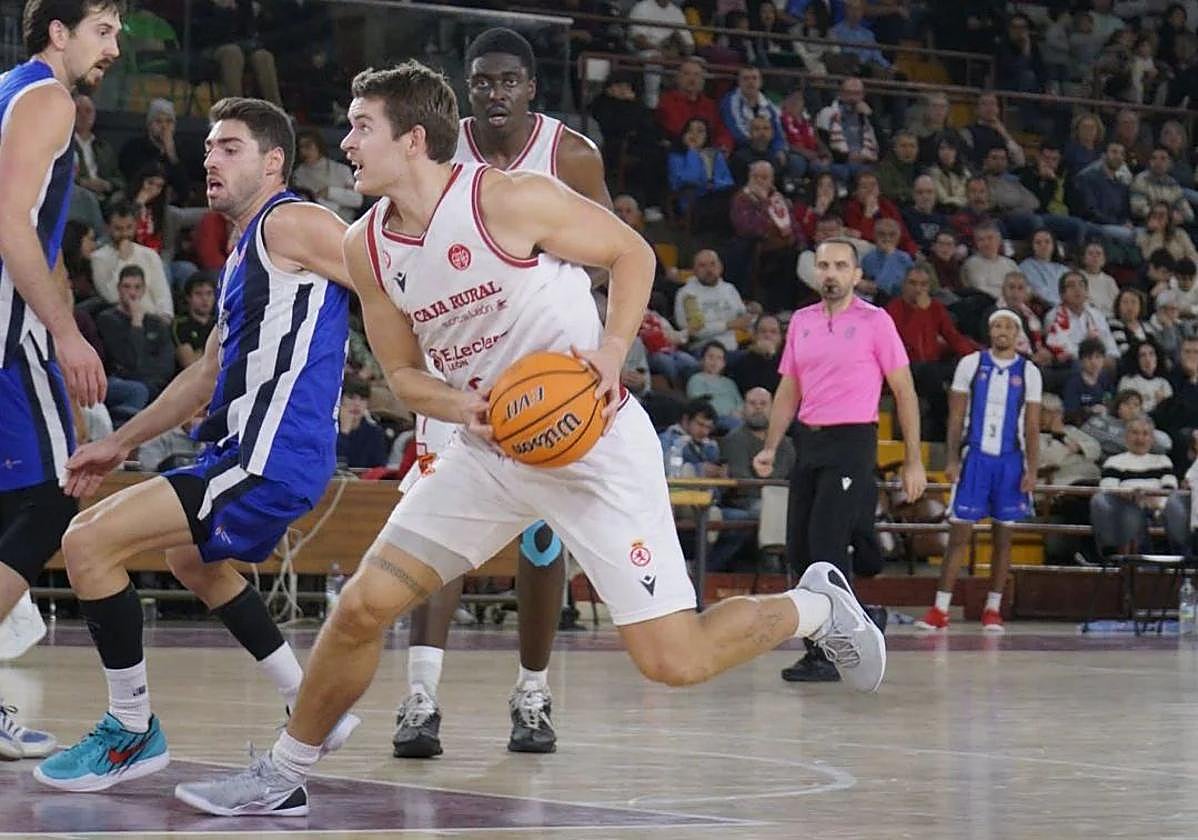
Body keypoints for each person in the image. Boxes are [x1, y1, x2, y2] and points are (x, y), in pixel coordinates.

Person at [174, 61, 889, 817]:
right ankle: (283, 773)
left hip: (595, 447)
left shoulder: (506, 199)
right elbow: (403, 377)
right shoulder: (366, 246)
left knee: (674, 660)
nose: (344, 142)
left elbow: (632, 254)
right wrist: (461, 404)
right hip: (489, 452)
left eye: (361, 127)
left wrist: (614, 351)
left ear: (413, 139)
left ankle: (817, 608)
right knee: (359, 607)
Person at [33, 98, 359, 791]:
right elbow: (204, 374)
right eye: (209, 147)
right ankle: (311, 704)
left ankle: (130, 729)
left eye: (231, 147)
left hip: (272, 454)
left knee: (88, 542)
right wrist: (118, 443)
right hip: (245, 450)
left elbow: (386, 277)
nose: (210, 158)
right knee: (190, 559)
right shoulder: (246, 254)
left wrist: (429, 376)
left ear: (275, 162)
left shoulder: (295, 220)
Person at [391, 28, 615, 760]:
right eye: (481, 81)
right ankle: (420, 698)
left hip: (543, 376)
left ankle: (533, 692)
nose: (494, 93)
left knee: (541, 535)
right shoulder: (430, 147)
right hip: (455, 374)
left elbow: (612, 257)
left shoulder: (571, 155)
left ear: (531, 88)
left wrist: (602, 349)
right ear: (465, 87)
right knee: (435, 534)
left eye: (507, 81)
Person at [0, 0, 121, 760]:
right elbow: (11, 222)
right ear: (58, 31)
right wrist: (68, 333)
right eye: (103, 31)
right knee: (53, 491)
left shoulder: (8, 88)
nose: (114, 47)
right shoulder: (46, 97)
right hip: (9, 340)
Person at [753, 238, 927, 683]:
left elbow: (904, 391)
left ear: (855, 274)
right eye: (824, 265)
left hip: (852, 438)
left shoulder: (876, 322)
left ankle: (830, 651)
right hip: (808, 442)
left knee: (827, 544)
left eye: (840, 266)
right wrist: (772, 446)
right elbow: (789, 387)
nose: (830, 273)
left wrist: (913, 461)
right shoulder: (803, 323)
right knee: (800, 547)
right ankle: (858, 621)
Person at [914, 310, 1042, 633]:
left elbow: (1032, 425)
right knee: (959, 536)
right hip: (975, 460)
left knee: (1003, 538)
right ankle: (940, 610)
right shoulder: (971, 364)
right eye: (997, 325)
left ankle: (992, 609)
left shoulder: (1029, 372)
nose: (1002, 331)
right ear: (989, 331)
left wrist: (1033, 469)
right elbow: (955, 419)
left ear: (1018, 334)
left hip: (1011, 461)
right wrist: (953, 459)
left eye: (1008, 327)